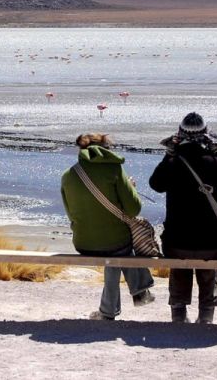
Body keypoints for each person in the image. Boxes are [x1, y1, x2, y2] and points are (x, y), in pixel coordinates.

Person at [149, 112, 217, 324]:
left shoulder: (173, 163)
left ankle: (179, 313)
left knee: (179, 265)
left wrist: (170, 155)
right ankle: (206, 315)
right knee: (207, 269)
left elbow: (155, 184)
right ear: (206, 135)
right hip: (211, 243)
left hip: (176, 241)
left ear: (179, 136)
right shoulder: (213, 162)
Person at [61, 133, 155, 321]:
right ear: (106, 149)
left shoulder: (68, 175)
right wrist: (131, 188)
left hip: (82, 243)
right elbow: (134, 209)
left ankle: (118, 305)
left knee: (115, 252)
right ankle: (137, 292)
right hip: (116, 245)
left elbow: (71, 215)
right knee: (119, 250)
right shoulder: (114, 170)